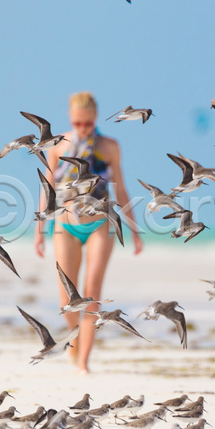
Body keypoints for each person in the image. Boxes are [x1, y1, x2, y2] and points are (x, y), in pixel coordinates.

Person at [34, 92, 143, 373]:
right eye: (77, 123)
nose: (82, 128)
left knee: (92, 294)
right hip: (65, 225)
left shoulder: (109, 146)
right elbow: (47, 189)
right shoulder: (57, 146)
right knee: (67, 301)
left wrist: (133, 229)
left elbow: (121, 188)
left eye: (87, 123)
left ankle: (83, 362)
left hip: (100, 224)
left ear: (95, 119)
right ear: (70, 120)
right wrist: (39, 230)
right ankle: (78, 342)